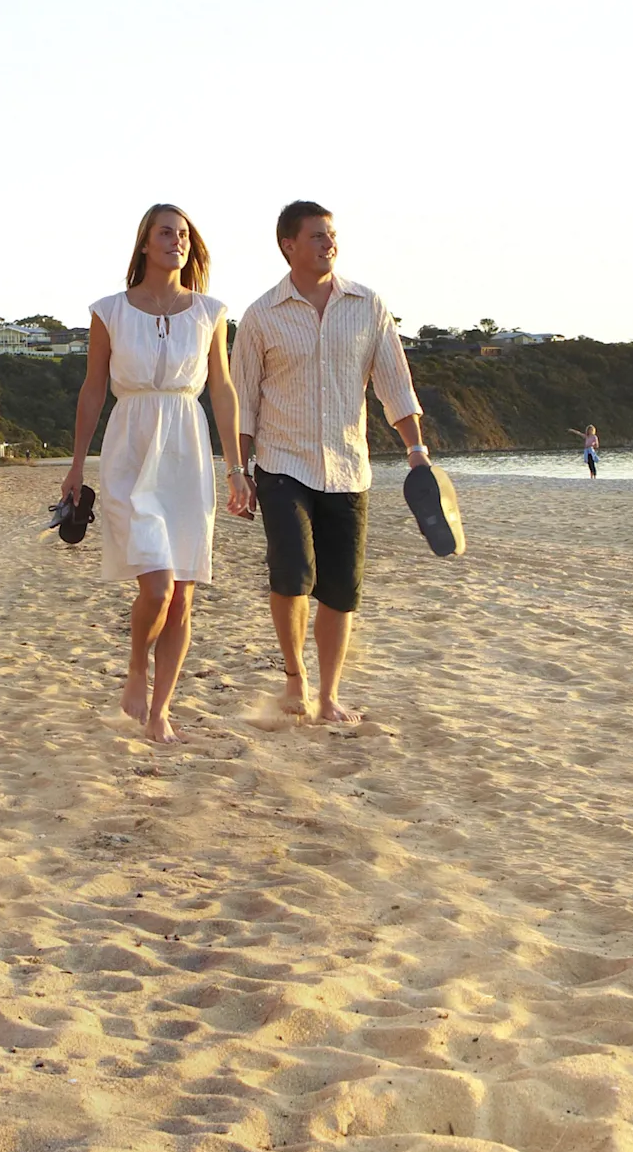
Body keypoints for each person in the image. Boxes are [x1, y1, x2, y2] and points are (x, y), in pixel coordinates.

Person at [230, 201, 426, 725]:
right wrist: (239, 472)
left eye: (332, 235)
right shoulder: (260, 315)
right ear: (288, 245)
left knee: (341, 590)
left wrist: (416, 450)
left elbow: (395, 386)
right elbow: (242, 402)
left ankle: (329, 694)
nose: (329, 243)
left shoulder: (368, 306)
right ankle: (295, 678)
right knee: (292, 574)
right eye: (317, 236)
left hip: (347, 467)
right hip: (282, 464)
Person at [61, 204, 249, 745]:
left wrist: (236, 467)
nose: (177, 241)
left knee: (184, 595)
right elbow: (93, 389)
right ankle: (136, 666)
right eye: (166, 232)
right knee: (159, 586)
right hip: (130, 449)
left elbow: (223, 390)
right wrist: (76, 463)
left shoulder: (210, 312)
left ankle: (160, 710)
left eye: (184, 234)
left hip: (187, 452)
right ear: (145, 243)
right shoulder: (110, 311)